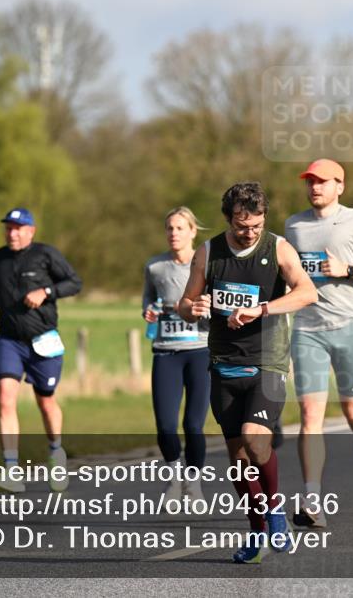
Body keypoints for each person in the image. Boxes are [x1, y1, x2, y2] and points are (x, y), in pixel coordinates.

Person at [179, 182, 318, 564]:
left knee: (257, 444)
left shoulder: (277, 248)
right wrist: (193, 307)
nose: (251, 232)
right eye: (243, 226)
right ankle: (257, 533)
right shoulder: (208, 253)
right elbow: (185, 303)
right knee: (239, 460)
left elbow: (307, 293)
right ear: (228, 219)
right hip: (223, 364)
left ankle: (274, 512)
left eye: (257, 225)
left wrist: (263, 309)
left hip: (268, 363)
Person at [284, 159, 353, 529]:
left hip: (349, 326)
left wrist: (347, 270)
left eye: (322, 181)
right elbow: (290, 275)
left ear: (339, 186)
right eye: (310, 181)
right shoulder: (293, 225)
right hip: (307, 329)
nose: (314, 187)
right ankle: (312, 499)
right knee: (310, 415)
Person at [0, 208, 82, 492]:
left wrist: (45, 292)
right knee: (5, 399)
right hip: (9, 339)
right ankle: (11, 469)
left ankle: (55, 452)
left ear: (31, 231)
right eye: (8, 228)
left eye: (18, 228)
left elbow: (74, 283)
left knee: (45, 401)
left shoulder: (46, 254)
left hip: (43, 340)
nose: (12, 233)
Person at [143, 207, 210, 506]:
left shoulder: (207, 264)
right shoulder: (155, 267)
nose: (174, 233)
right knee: (165, 426)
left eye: (180, 228)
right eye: (169, 228)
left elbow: (218, 304)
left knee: (193, 425)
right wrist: (148, 311)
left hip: (200, 351)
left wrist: (206, 307)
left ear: (193, 231)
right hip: (166, 351)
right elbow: (148, 299)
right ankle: (174, 478)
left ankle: (193, 483)